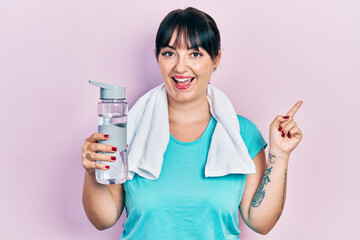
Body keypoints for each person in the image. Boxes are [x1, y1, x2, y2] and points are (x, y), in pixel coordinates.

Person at [82, 7, 303, 239]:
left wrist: (280, 153)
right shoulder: (129, 129)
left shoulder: (242, 133)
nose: (180, 66)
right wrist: (91, 173)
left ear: (216, 59)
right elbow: (103, 219)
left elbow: (260, 222)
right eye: (169, 53)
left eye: (195, 54)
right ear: (157, 58)